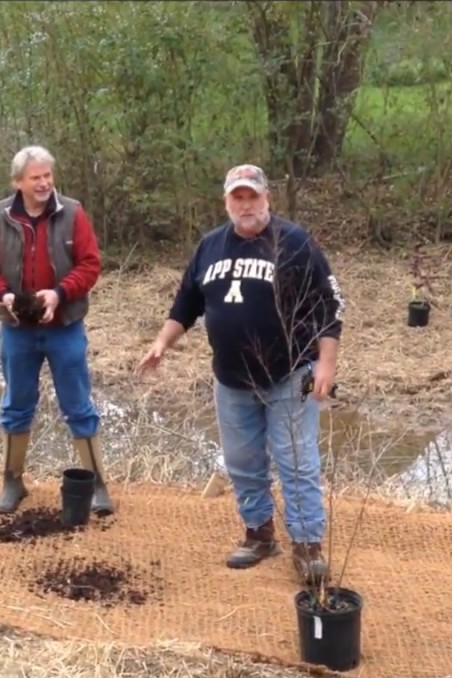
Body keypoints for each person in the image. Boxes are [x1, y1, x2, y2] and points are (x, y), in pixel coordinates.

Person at [136, 164, 346, 585]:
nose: (246, 205)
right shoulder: (210, 247)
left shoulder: (295, 243)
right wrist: (162, 343)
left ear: (267, 198)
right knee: (243, 463)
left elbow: (330, 306)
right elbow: (186, 305)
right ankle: (259, 535)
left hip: (289, 374)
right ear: (227, 202)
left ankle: (308, 547)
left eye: (253, 197)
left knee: (297, 462)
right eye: (238, 198)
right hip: (231, 379)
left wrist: (326, 363)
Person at [0, 145, 114, 517]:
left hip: (64, 326)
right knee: (16, 404)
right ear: (18, 181)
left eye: (48, 176)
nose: (44, 183)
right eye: (36, 177)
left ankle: (98, 485)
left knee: (78, 405)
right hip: (17, 329)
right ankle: (12, 482)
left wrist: (59, 293)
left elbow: (90, 264)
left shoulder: (73, 213)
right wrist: (4, 296)